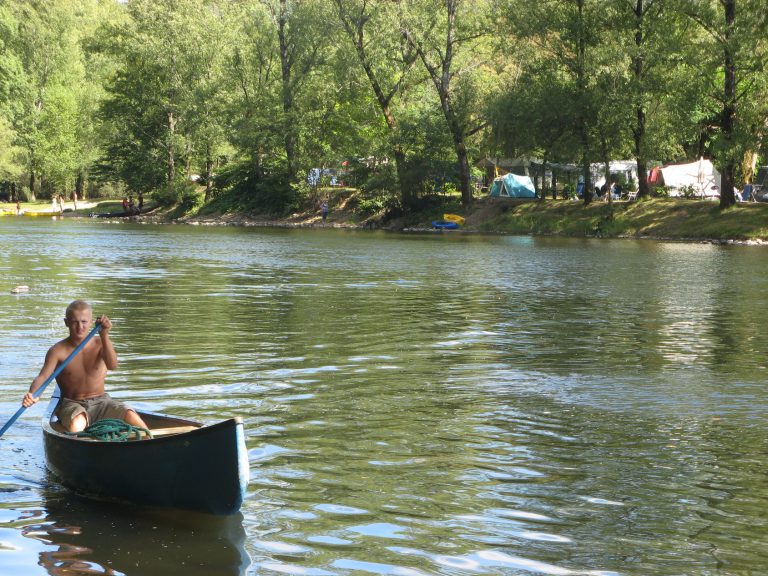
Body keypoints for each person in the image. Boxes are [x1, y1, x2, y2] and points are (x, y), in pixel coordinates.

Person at [22, 300, 148, 433]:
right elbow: (43, 377)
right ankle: (79, 446)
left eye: (84, 322)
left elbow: (112, 365)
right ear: (66, 322)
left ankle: (148, 442)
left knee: (130, 414)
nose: (80, 327)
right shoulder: (57, 350)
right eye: (74, 322)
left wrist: (104, 335)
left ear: (91, 321)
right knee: (78, 421)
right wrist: (32, 394)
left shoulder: (100, 343)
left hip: (102, 401)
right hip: (72, 403)